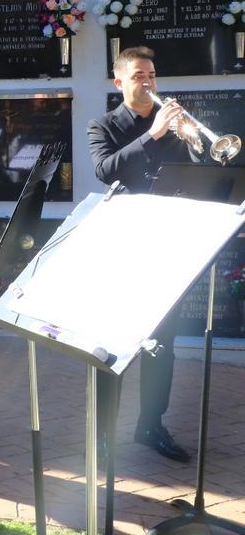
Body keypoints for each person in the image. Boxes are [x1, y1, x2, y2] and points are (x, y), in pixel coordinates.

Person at [88, 46, 201, 463]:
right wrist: (153, 134)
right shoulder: (103, 125)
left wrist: (190, 139)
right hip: (121, 247)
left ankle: (151, 425)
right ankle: (101, 433)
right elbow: (105, 169)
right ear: (119, 83)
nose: (148, 82)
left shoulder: (171, 125)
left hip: (166, 245)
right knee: (111, 346)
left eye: (152, 74)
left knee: (163, 346)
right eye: (138, 75)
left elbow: (198, 171)